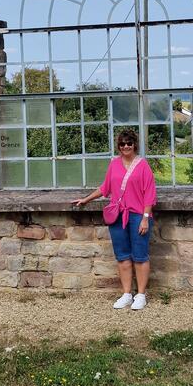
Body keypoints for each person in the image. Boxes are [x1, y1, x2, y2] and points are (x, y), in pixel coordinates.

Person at [72, 128, 157, 310]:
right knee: (122, 256)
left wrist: (145, 218)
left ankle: (140, 295)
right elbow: (105, 188)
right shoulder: (114, 164)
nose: (126, 146)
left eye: (129, 143)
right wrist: (86, 199)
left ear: (134, 145)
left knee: (140, 256)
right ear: (118, 146)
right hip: (118, 216)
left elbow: (149, 194)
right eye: (122, 144)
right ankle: (126, 294)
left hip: (137, 216)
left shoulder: (142, 166)